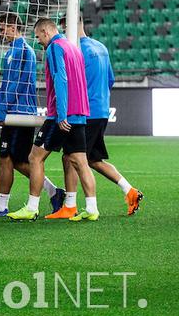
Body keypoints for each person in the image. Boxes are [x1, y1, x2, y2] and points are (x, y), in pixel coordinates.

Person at [8, 18, 98, 221]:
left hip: (61, 115)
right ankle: (92, 209)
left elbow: (61, 78)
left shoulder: (55, 48)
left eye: (38, 36)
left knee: (34, 157)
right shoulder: (74, 48)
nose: (38, 41)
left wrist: (62, 113)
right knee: (80, 161)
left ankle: (32, 207)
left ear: (46, 31)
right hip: (80, 113)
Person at [0, 14, 65, 218]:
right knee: (9, 159)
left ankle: (46, 194)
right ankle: (50, 192)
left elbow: (14, 85)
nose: (0, 33)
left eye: (2, 28)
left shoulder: (22, 51)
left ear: (12, 27)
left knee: (14, 160)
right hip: (13, 113)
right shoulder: (14, 51)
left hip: (20, 114)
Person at [61, 17, 143, 216]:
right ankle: (129, 190)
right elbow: (110, 79)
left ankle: (72, 205)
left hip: (85, 112)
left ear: (68, 26)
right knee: (93, 159)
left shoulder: (75, 50)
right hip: (101, 109)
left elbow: (70, 82)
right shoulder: (101, 48)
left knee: (72, 156)